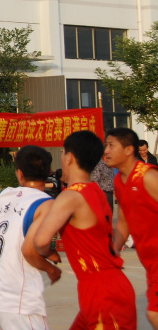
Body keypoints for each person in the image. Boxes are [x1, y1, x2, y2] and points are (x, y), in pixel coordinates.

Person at [34, 130, 137, 330]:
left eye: (62, 154)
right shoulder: (96, 190)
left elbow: (40, 240)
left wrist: (50, 254)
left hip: (102, 293)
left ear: (69, 156)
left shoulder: (70, 196)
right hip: (109, 286)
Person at [0, 146, 60, 330]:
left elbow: (19, 232)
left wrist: (48, 252)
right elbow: (29, 250)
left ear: (19, 173)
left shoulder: (6, 195)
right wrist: (52, 270)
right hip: (15, 296)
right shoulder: (45, 203)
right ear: (48, 172)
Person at [106, 127, 158, 329]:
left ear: (129, 149)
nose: (106, 151)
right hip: (150, 262)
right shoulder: (119, 181)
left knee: (154, 314)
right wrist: (114, 250)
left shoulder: (148, 177)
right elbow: (124, 222)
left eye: (111, 145)